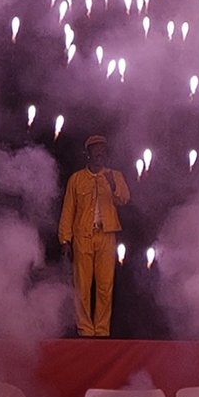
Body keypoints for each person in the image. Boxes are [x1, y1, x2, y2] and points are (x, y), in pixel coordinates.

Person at [57, 133, 131, 337]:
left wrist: (112, 184)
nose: (100, 153)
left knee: (105, 285)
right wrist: (65, 239)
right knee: (82, 284)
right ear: (88, 153)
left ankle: (102, 329)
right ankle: (85, 329)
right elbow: (68, 210)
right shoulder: (77, 179)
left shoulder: (115, 175)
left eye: (103, 149)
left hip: (106, 235)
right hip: (83, 235)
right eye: (95, 149)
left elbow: (124, 199)